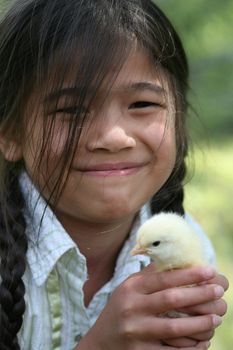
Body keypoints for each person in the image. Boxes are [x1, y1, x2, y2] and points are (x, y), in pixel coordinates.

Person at [0, 0, 228, 349]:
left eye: (141, 104)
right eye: (71, 109)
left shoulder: (184, 245)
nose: (112, 138)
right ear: (10, 133)